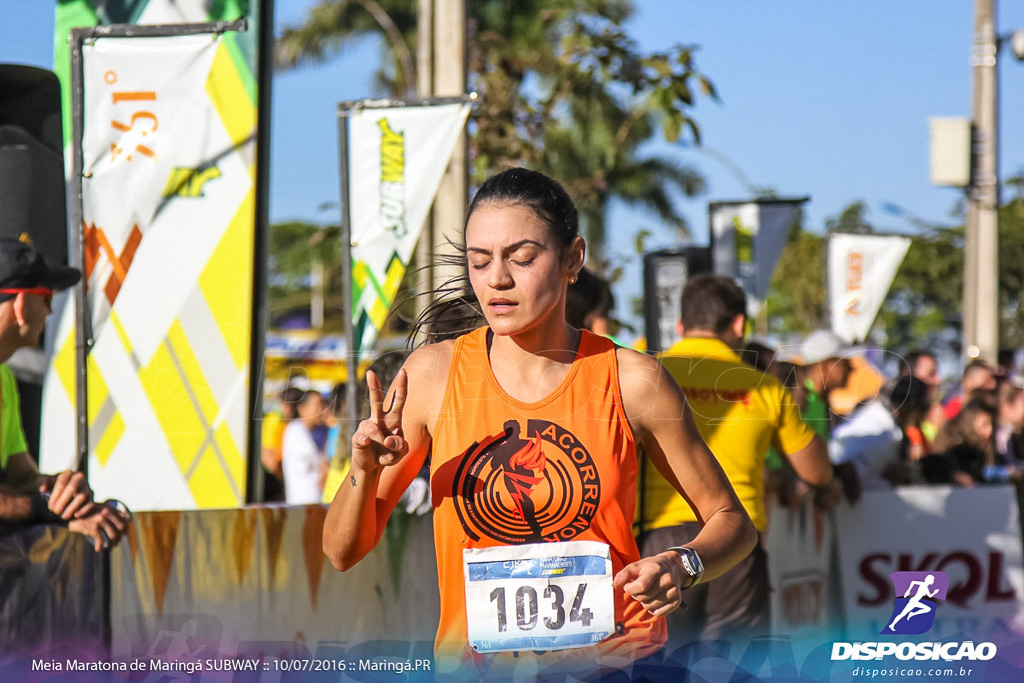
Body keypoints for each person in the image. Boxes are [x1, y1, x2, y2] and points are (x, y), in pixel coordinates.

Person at [322, 168, 756, 678]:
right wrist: (363, 470)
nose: (497, 279)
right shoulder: (432, 376)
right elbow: (340, 552)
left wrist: (683, 564)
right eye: (479, 262)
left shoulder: (632, 380)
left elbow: (733, 523)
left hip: (616, 665)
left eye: (522, 258)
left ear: (574, 258)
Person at [638, 274, 832, 646]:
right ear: (739, 324)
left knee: (656, 666)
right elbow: (817, 473)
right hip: (736, 545)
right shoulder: (766, 387)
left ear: (680, 325)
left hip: (654, 541)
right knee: (732, 667)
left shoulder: (646, 374)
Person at [0, 237, 129, 551]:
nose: (49, 309)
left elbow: (22, 478)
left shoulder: (4, 377)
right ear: (19, 305)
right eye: (45, 296)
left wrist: (60, 488)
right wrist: (52, 511)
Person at [281, 388, 329, 505]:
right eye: (318, 405)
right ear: (302, 408)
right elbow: (322, 467)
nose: (321, 410)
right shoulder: (296, 431)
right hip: (304, 503)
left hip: (310, 503)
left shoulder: (308, 432)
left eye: (322, 405)